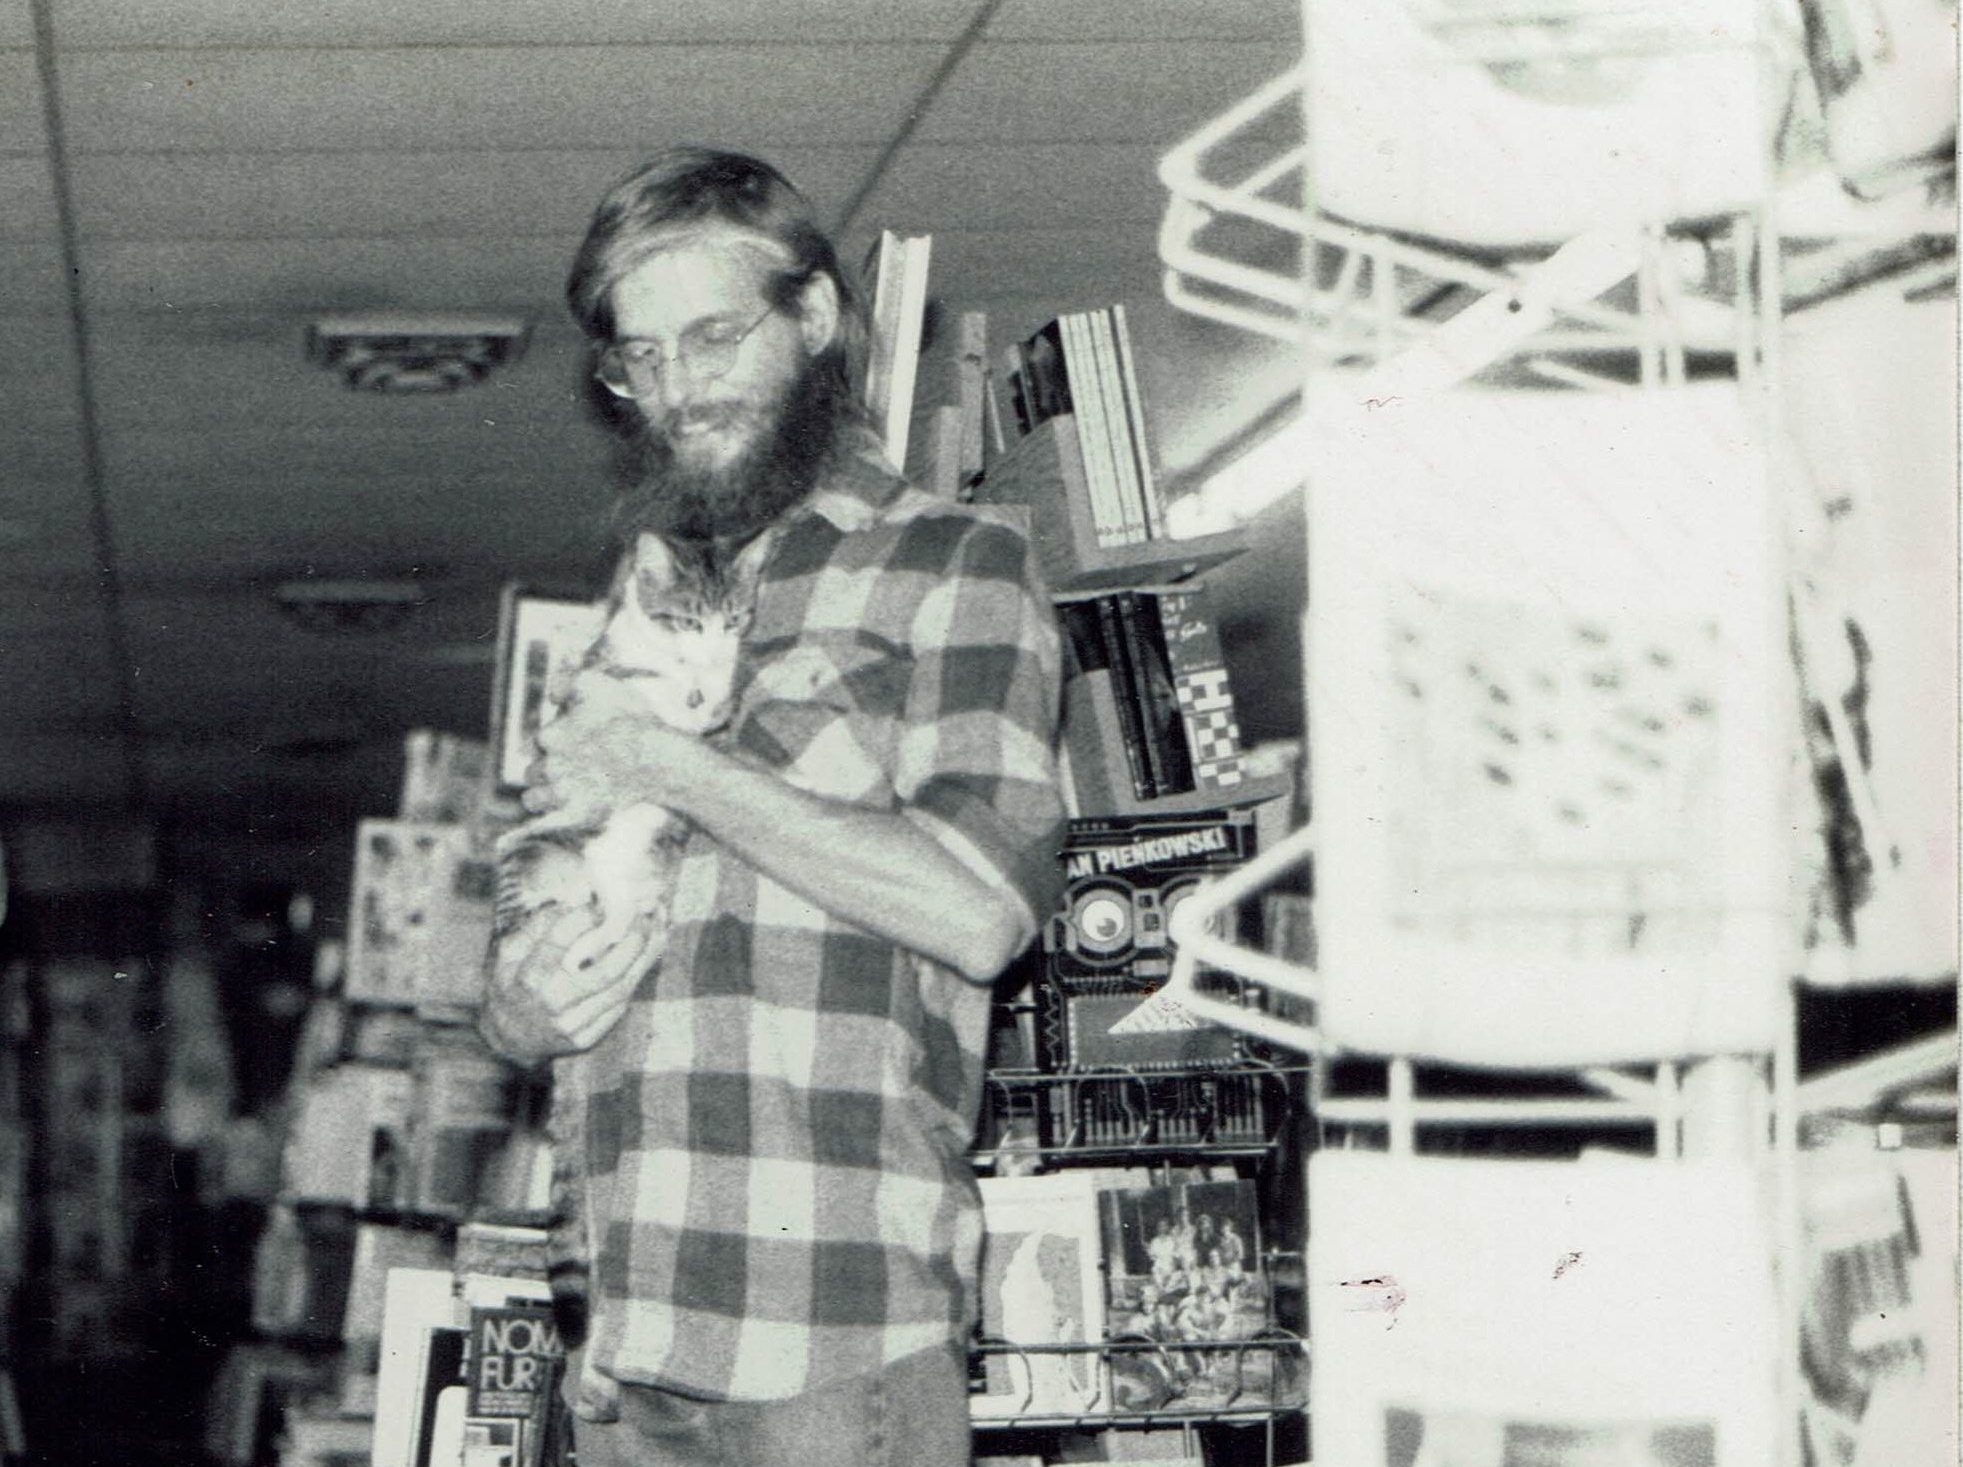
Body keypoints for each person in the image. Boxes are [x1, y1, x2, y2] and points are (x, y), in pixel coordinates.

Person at [478, 147, 1066, 1467]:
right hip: (621, 1339)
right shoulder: (640, 600)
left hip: (828, 1343)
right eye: (640, 359)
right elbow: (511, 932)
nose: (677, 391)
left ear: (813, 318)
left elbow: (976, 912)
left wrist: (670, 763)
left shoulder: (953, 562)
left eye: (713, 337)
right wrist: (514, 1003)